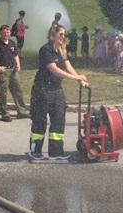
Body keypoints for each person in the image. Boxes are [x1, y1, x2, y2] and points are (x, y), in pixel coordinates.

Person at [29, 24, 89, 161]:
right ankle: (35, 151)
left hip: (56, 90)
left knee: (58, 120)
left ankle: (56, 152)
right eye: (61, 34)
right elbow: (54, 69)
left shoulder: (62, 50)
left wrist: (80, 80)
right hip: (42, 90)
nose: (63, 36)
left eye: (64, 34)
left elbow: (68, 66)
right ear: (53, 35)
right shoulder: (45, 50)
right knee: (40, 121)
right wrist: (76, 78)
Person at [0, 24, 29, 122]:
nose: (6, 34)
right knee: (3, 93)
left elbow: (15, 55)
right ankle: (5, 114)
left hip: (13, 71)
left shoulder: (12, 43)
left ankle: (22, 112)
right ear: (0, 33)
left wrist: (18, 65)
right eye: (4, 32)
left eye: (8, 32)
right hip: (3, 72)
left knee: (18, 91)